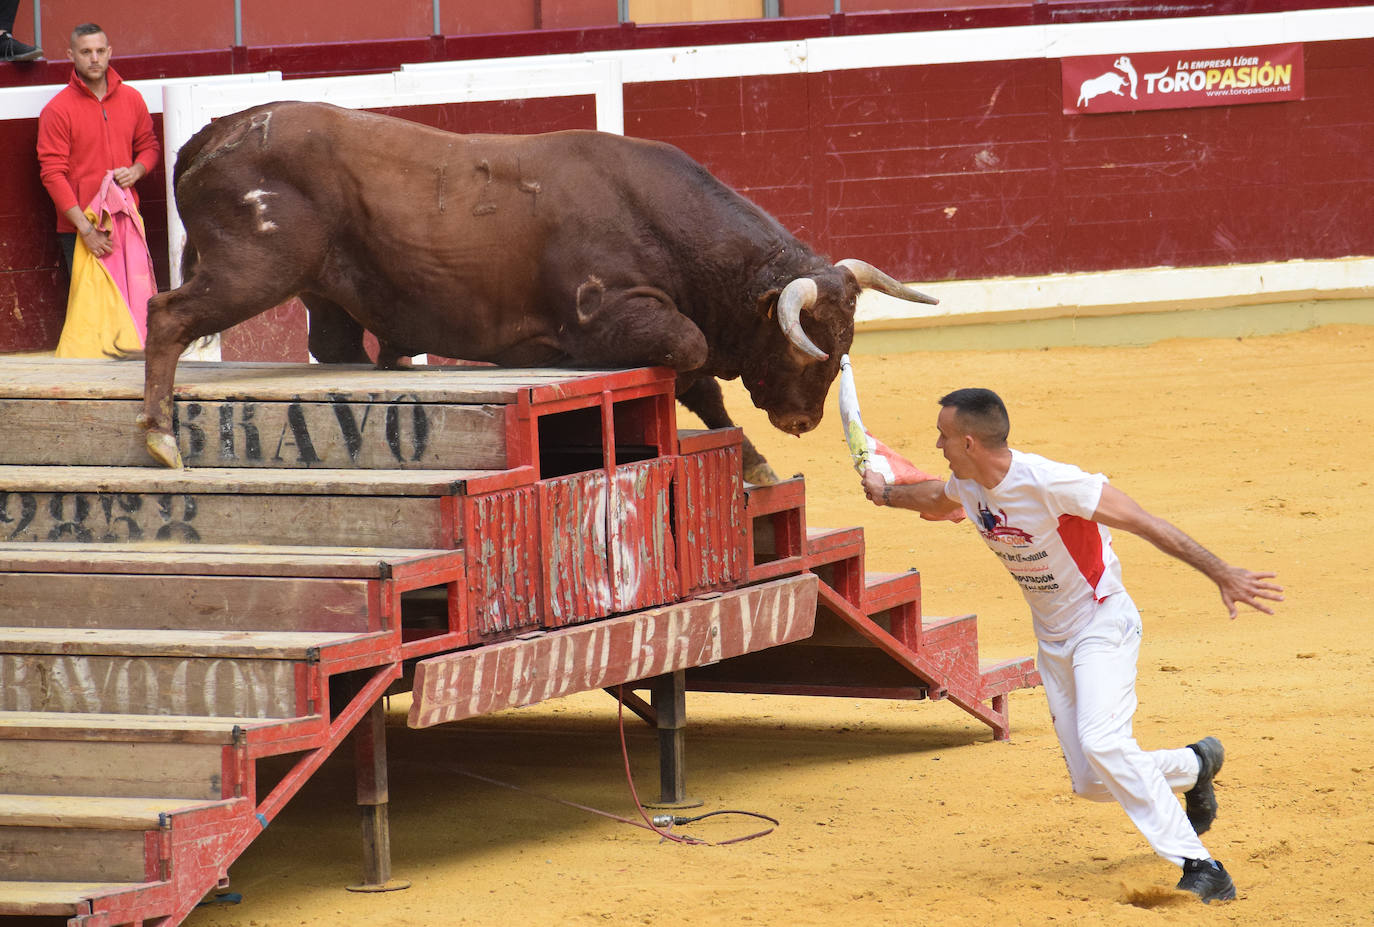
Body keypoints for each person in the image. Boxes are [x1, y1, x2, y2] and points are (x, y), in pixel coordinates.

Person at [860, 387, 1283, 904]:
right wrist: (885, 492)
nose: (937, 444)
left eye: (944, 437)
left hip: (1102, 623)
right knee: (1091, 781)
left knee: (1105, 743)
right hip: (1053, 639)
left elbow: (1145, 523)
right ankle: (1194, 765)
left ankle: (1201, 865)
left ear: (969, 441)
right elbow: (932, 496)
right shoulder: (967, 483)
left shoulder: (1053, 482)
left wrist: (1222, 572)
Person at [36, 22, 159, 279]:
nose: (94, 58)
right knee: (92, 314)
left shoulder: (132, 98)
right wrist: (86, 230)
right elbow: (52, 174)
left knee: (134, 306)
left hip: (126, 221)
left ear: (109, 52)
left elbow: (149, 146)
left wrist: (137, 170)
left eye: (100, 51)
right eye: (86, 52)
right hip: (82, 229)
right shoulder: (57, 110)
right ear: (71, 55)